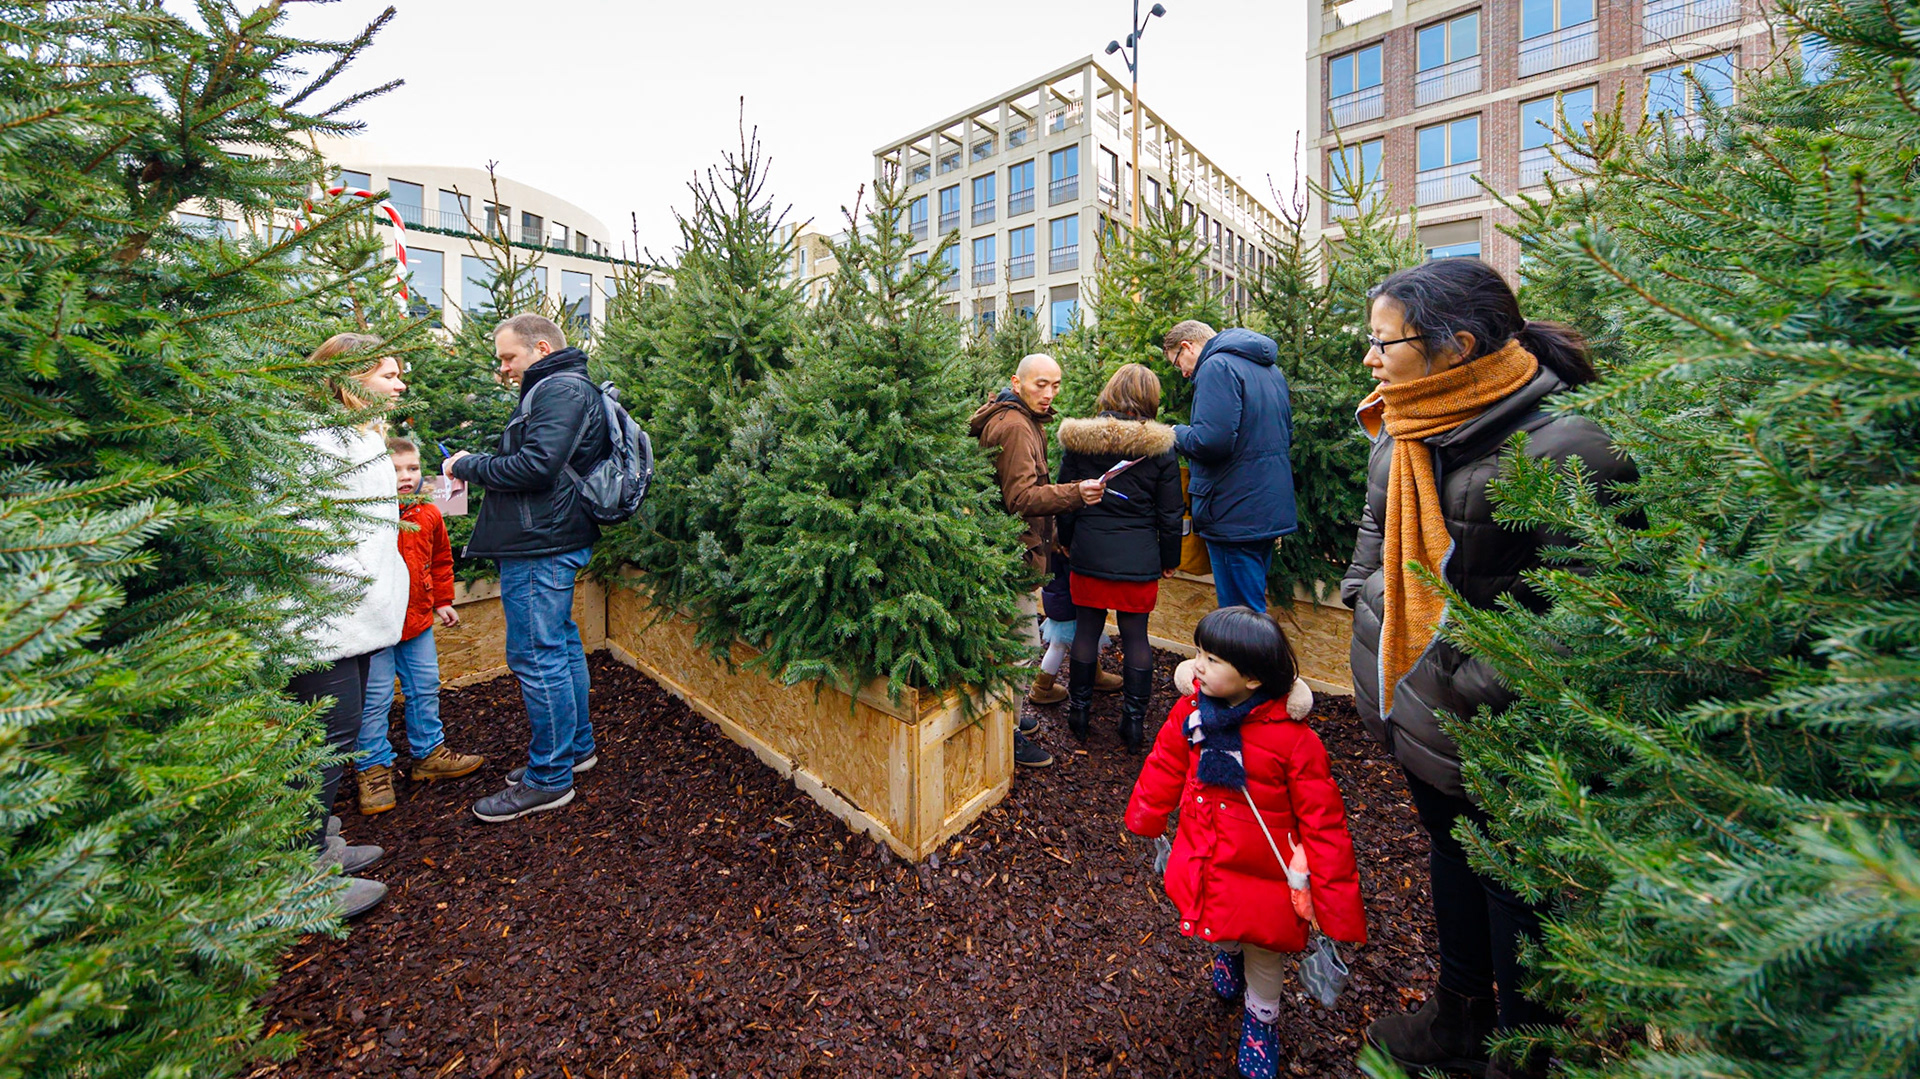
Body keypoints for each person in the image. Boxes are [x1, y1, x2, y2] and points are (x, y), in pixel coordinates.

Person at [1346, 259, 1635, 1079]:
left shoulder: (1571, 447)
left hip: (1499, 729)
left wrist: (1466, 688)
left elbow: (1588, 614)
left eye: (1383, 340)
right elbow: (1374, 529)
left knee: (1518, 889)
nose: (1369, 358)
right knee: (1452, 852)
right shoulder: (1404, 424)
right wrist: (1364, 595)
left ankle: (1522, 1053)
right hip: (1419, 713)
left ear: (1456, 346)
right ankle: (1460, 1017)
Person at [1126, 606, 1366, 1079]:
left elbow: (1324, 822)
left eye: (1212, 659)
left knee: (1265, 950)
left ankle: (1262, 1022)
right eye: (1199, 652)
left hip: (1266, 873)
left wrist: (1335, 904)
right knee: (1223, 922)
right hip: (1208, 853)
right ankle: (1228, 955)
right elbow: (1165, 763)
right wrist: (1148, 816)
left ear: (1253, 678)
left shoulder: (1294, 743)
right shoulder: (1191, 713)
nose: (1197, 665)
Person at [443, 314, 607, 823]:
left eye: (508, 358)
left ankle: (549, 779)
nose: (504, 369)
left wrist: (466, 465)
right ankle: (575, 750)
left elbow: (536, 467)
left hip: (542, 543)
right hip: (548, 537)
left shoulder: (561, 389)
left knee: (538, 657)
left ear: (540, 347)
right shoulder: (560, 386)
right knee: (556, 645)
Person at [287, 332, 410, 918]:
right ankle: (296, 879)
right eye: (388, 374)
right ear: (350, 380)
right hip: (321, 619)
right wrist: (350, 581)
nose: (399, 384)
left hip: (355, 618)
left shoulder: (357, 439)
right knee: (319, 744)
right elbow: (294, 529)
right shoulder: (310, 442)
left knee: (337, 737)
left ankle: (318, 843)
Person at [967, 352, 1109, 768]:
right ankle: (1004, 734)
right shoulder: (1014, 427)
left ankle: (1008, 717)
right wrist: (1075, 493)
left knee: (1018, 645)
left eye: (1055, 385)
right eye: (1040, 384)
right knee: (1017, 648)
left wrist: (1055, 537)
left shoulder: (1024, 420)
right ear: (1017, 382)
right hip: (1009, 556)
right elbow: (1020, 499)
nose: (1049, 394)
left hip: (1017, 550)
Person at [1054, 363, 1183, 751]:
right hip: (1138, 559)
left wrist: (1067, 541)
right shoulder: (1160, 449)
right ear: (1150, 399)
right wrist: (1168, 557)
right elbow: (1171, 512)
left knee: (1087, 631)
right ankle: (1133, 722)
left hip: (1089, 550)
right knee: (1136, 636)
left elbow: (1067, 495)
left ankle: (1078, 713)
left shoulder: (1080, 441)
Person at [353, 437, 485, 815]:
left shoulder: (428, 513)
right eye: (395, 470)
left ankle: (429, 753)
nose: (405, 477)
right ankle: (372, 768)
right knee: (374, 699)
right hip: (376, 625)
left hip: (418, 620)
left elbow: (441, 560)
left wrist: (443, 601)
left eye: (412, 469)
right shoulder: (370, 516)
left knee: (425, 686)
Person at [1163, 321, 1296, 613]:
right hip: (1264, 507)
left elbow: (1210, 441)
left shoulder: (1216, 366)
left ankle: (1249, 661)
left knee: (1239, 615)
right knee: (1252, 605)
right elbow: (1287, 434)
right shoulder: (1268, 370)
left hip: (1232, 510)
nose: (1184, 374)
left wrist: (1176, 431)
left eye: (1178, 363)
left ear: (1188, 346)